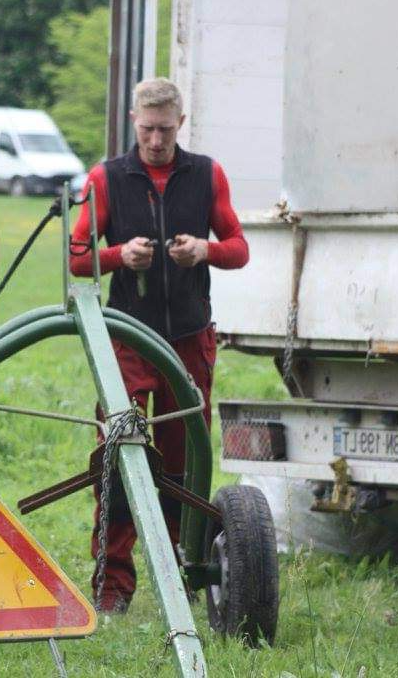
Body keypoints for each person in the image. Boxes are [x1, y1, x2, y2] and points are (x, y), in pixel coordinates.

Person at [69, 77, 249, 614]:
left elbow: (239, 249)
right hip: (127, 338)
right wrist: (120, 255)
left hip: (191, 338)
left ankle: (181, 569)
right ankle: (113, 586)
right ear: (133, 122)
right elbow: (77, 256)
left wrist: (204, 251)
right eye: (146, 129)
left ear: (180, 125)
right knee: (118, 451)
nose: (154, 140)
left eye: (165, 130)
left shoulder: (207, 174)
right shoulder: (106, 177)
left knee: (182, 458)